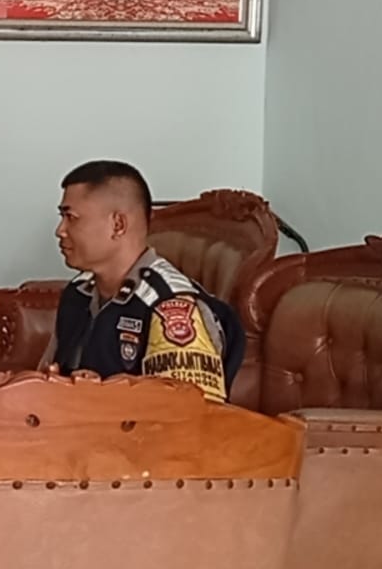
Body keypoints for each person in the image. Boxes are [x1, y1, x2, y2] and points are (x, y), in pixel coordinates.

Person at [39, 160, 243, 401]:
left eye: (71, 217)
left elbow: (188, 416)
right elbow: (47, 378)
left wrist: (104, 397)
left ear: (118, 224)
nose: (60, 230)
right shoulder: (77, 293)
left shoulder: (171, 306)